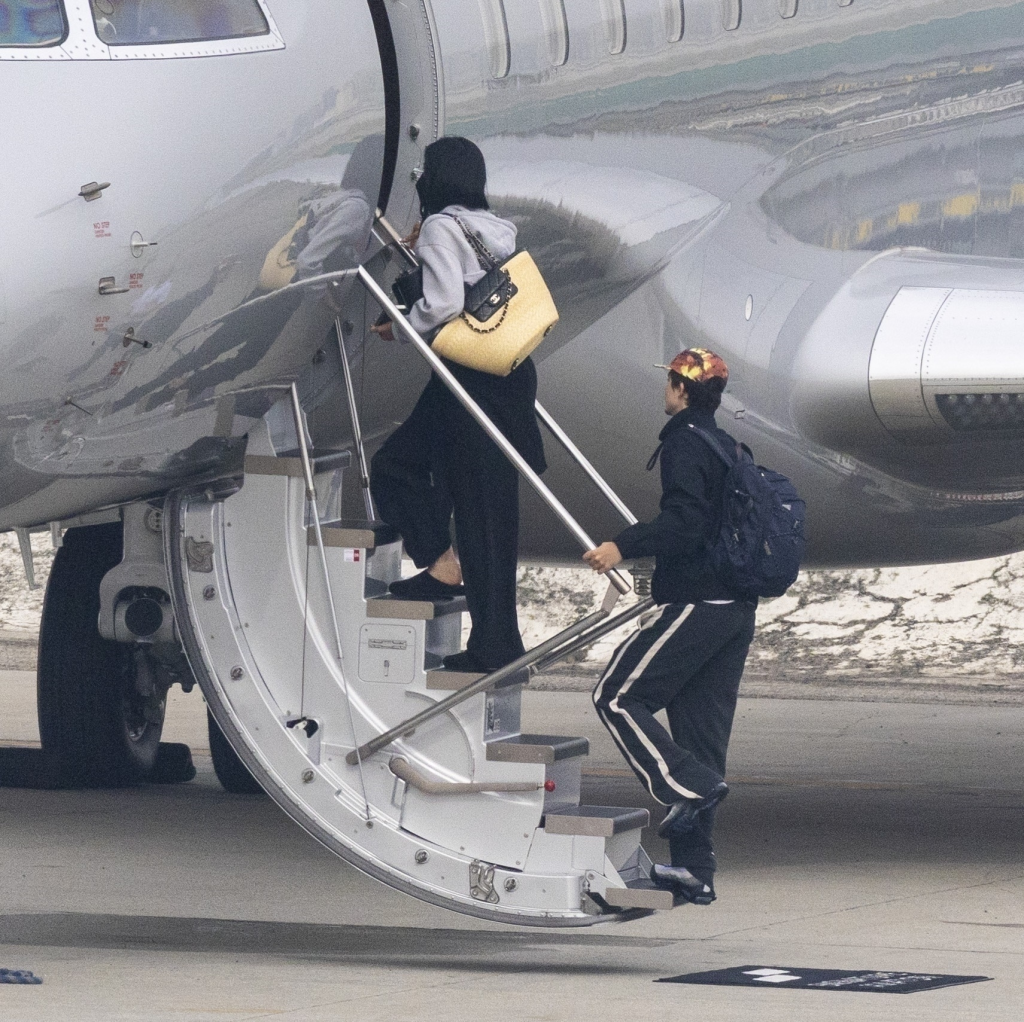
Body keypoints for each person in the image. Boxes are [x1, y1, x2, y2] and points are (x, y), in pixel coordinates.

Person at [583, 348, 756, 906]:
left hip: (699, 601)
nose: (666, 390)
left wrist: (621, 545)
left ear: (682, 389)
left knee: (616, 695)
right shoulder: (729, 446)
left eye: (670, 383)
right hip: (735, 609)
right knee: (700, 738)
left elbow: (685, 524)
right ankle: (694, 868)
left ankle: (687, 786)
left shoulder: (685, 442)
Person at [370, 137, 546, 673]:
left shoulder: (443, 228)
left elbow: (444, 303)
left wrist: (401, 326)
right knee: (488, 514)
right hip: (506, 374)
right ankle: (468, 601)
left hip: (469, 376)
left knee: (414, 477)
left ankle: (485, 628)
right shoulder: (494, 227)